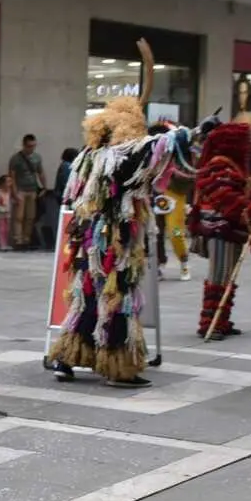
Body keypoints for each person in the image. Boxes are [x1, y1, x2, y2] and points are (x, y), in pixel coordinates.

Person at [48, 41, 193, 388]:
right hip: (115, 241)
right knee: (118, 298)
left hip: (88, 239)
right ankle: (117, 366)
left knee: (87, 295)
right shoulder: (120, 156)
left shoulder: (90, 155)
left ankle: (68, 357)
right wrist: (188, 133)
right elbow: (156, 148)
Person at [188, 119, 251, 341]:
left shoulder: (228, 164)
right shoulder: (220, 164)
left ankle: (222, 320)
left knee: (227, 276)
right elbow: (223, 196)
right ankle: (209, 323)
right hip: (220, 227)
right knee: (219, 275)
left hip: (230, 228)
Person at [149, 123, 196, 282]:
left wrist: (176, 172)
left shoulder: (179, 152)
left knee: (175, 231)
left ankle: (184, 261)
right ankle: (159, 264)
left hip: (174, 195)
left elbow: (191, 173)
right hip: (154, 195)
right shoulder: (149, 153)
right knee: (156, 233)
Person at [8, 133, 47, 250]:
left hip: (32, 189)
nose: (32, 149)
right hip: (20, 189)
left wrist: (44, 187)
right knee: (19, 216)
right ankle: (18, 239)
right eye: (29, 146)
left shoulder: (37, 157)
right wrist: (14, 192)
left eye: (34, 146)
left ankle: (26, 239)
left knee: (30, 216)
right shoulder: (15, 158)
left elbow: (40, 172)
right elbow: (12, 176)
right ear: (24, 145)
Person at [0, 175, 12, 251]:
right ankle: (2, 244)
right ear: (3, 183)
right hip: (0, 212)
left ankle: (6, 243)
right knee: (2, 228)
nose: (10, 183)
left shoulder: (9, 192)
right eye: (8, 182)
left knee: (7, 229)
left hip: (7, 212)